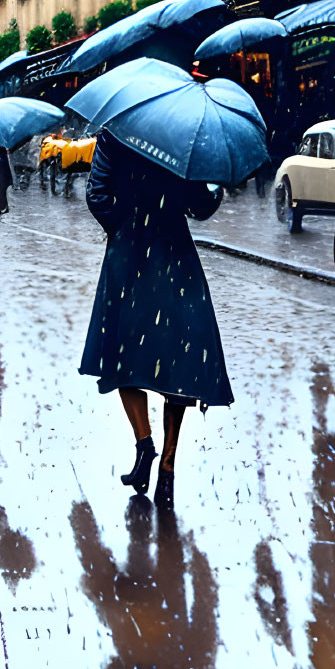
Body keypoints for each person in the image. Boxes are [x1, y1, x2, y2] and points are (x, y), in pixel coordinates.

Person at [79, 131, 232, 508]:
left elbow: (95, 194)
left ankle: (144, 444)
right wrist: (213, 188)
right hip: (173, 254)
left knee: (122, 358)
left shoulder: (114, 134)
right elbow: (199, 205)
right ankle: (167, 464)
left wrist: (126, 222)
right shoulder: (182, 139)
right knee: (176, 363)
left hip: (129, 255)